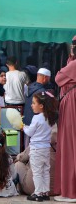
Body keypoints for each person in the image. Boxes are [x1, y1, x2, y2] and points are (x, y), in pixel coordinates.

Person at [23, 91, 58, 202]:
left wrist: (23, 127)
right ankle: (45, 192)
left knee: (37, 172)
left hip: (36, 149)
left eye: (33, 103)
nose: (32, 105)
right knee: (45, 171)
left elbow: (30, 132)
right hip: (46, 149)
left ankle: (38, 193)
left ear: (41, 106)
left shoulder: (36, 118)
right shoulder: (50, 118)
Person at [54, 40, 76, 202]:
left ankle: (70, 190)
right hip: (70, 100)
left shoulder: (74, 65)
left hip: (71, 103)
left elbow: (59, 77)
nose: (72, 47)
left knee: (70, 143)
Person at [15, 124, 58, 196]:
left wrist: (18, 157)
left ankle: (19, 188)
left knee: (18, 164)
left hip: (34, 189)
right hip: (57, 190)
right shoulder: (65, 144)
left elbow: (22, 158)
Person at [23, 68, 51, 147]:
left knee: (27, 149)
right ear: (45, 77)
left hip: (27, 121)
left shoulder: (29, 87)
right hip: (36, 125)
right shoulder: (42, 92)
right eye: (48, 78)